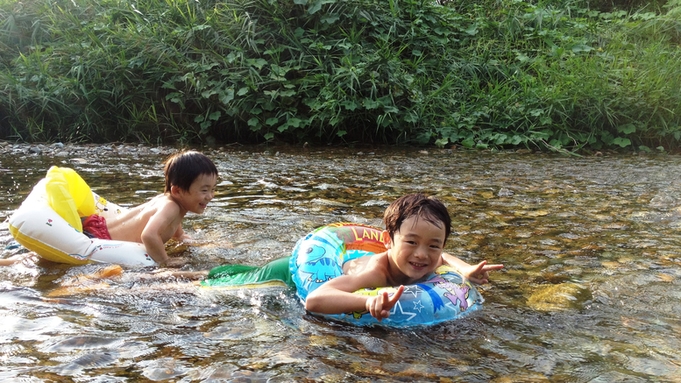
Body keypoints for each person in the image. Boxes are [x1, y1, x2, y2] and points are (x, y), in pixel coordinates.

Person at [304, 193, 504, 321]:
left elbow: (444, 258)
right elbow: (314, 300)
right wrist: (365, 302)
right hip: (352, 264)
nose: (422, 254)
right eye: (411, 242)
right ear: (388, 240)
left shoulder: (430, 260)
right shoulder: (375, 273)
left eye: (433, 245)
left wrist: (466, 270)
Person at [101, 150, 218, 267]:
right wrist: (165, 261)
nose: (210, 196)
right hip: (102, 239)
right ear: (177, 191)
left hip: (102, 227)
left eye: (212, 189)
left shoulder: (173, 203)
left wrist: (180, 236)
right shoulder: (171, 207)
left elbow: (172, 222)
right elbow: (149, 235)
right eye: (204, 190)